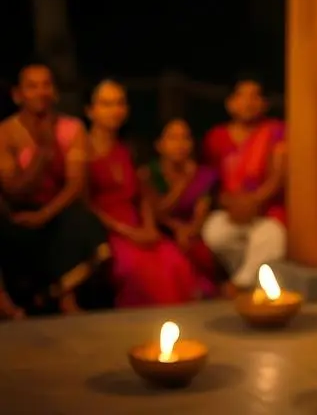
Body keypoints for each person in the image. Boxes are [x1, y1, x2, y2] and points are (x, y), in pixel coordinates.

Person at [0, 62, 109, 314]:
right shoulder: (6, 132)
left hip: (56, 209)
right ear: (18, 95)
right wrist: (43, 155)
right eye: (32, 86)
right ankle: (8, 304)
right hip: (19, 212)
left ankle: (63, 296)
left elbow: (75, 184)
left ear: (55, 92)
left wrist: (44, 215)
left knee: (84, 224)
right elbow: (13, 190)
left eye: (46, 85)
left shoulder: (72, 128)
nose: (41, 92)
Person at [86, 80, 200, 307]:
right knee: (137, 270)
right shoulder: (83, 150)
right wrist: (128, 232)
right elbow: (87, 204)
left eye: (119, 103)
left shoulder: (129, 148)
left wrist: (148, 227)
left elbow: (143, 196)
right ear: (90, 110)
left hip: (138, 224)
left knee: (175, 262)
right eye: (106, 104)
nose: (115, 110)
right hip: (107, 228)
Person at [200, 77, 287, 296]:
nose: (248, 102)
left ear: (264, 103)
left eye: (255, 96)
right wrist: (230, 204)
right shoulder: (216, 137)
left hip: (266, 211)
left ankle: (238, 285)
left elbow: (278, 176)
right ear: (230, 103)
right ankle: (251, 276)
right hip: (232, 212)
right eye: (242, 95)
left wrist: (253, 201)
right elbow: (212, 182)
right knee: (214, 232)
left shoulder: (275, 131)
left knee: (270, 238)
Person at [145, 118, 219, 298]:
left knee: (202, 252)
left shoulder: (204, 175)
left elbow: (201, 212)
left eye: (185, 138)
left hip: (192, 233)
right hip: (162, 231)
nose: (180, 144)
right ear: (160, 145)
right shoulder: (148, 174)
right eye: (173, 138)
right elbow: (157, 212)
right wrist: (181, 184)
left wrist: (190, 229)